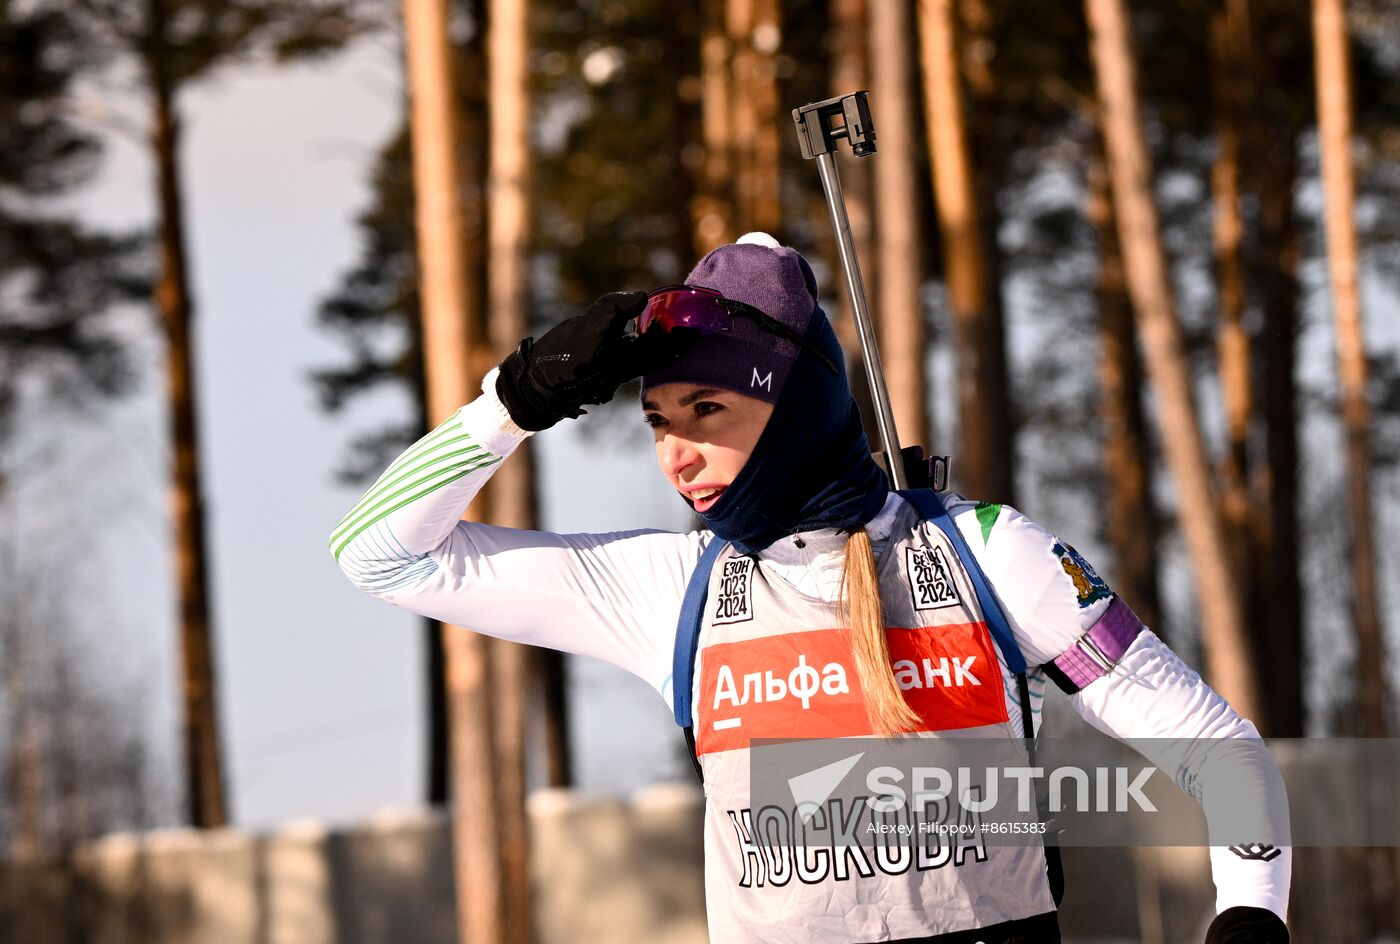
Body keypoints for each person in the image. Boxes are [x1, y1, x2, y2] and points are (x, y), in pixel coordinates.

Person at [329, 233, 1290, 943]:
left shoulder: (985, 555)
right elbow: (376, 551)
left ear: (794, 408)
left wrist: (1251, 918)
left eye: (709, 409)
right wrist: (516, 400)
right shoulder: (676, 589)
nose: (679, 453)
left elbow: (1219, 751)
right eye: (659, 419)